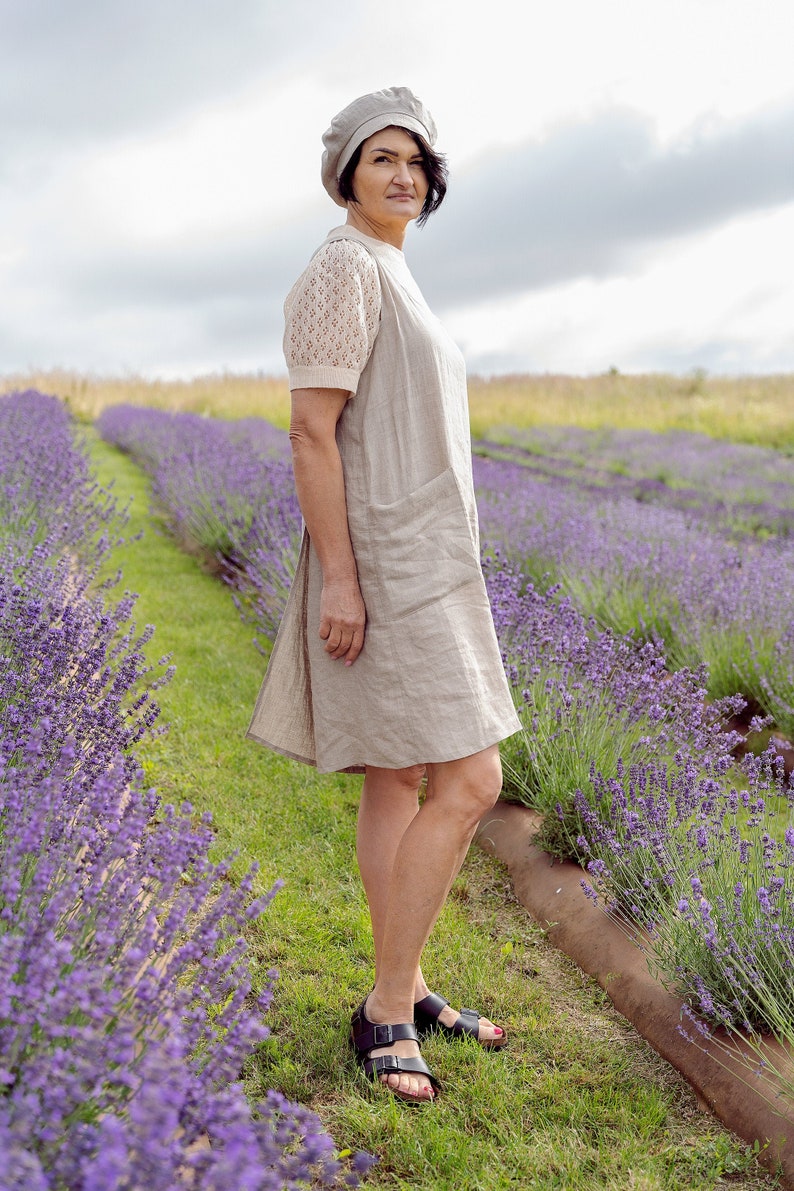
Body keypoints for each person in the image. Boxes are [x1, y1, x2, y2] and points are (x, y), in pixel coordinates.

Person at [248, 86, 521, 1104]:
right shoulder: (342, 268)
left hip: (428, 556)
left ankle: (403, 983)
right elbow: (311, 432)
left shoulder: (391, 269)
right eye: (381, 159)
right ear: (347, 175)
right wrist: (345, 580)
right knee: (471, 782)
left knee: (395, 780)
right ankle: (384, 1012)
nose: (402, 174)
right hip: (387, 566)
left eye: (414, 159)